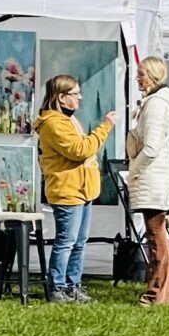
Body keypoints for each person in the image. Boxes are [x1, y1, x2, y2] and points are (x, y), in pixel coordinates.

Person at [36, 75, 115, 303]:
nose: (80, 97)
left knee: (79, 242)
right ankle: (57, 287)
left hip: (82, 190)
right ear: (61, 98)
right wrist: (105, 127)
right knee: (66, 241)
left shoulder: (68, 119)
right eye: (75, 94)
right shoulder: (53, 123)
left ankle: (73, 286)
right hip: (67, 190)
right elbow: (79, 150)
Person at [126, 57, 169, 306]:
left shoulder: (156, 104)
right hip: (155, 173)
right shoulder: (156, 102)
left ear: (153, 76)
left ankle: (155, 292)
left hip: (152, 174)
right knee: (159, 233)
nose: (138, 79)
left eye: (142, 75)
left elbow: (150, 147)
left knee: (155, 235)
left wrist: (134, 170)